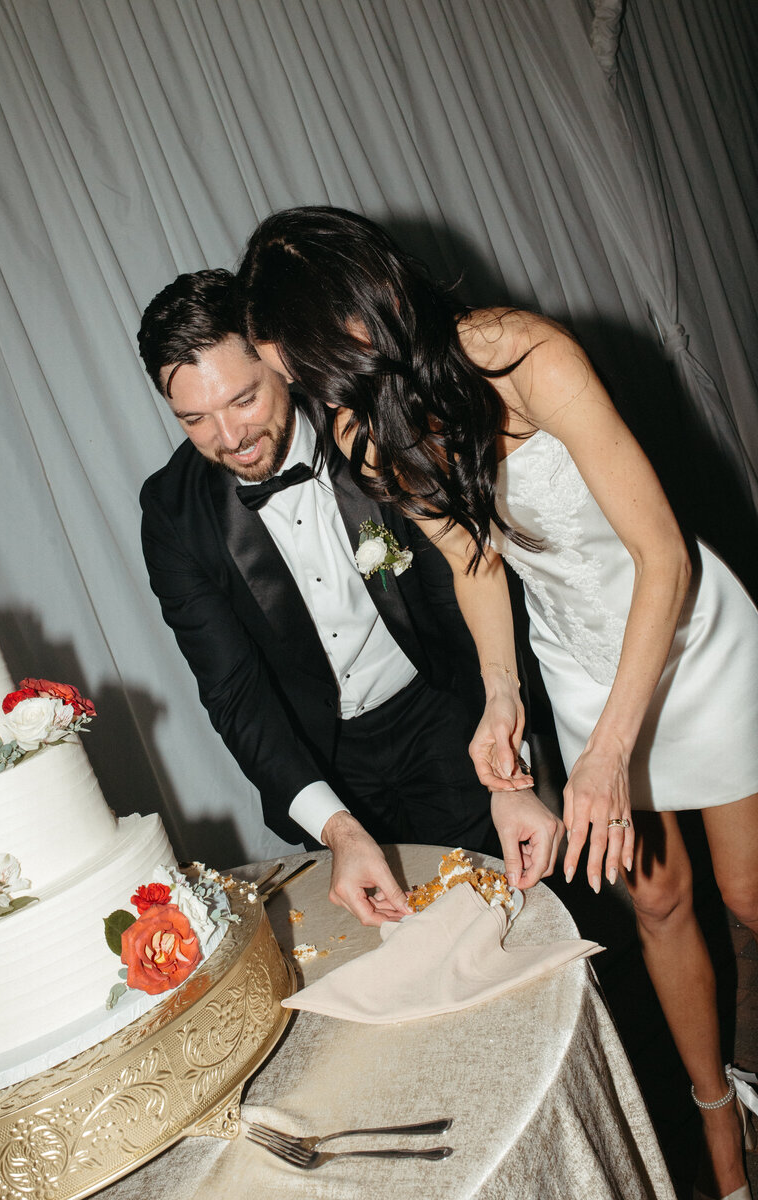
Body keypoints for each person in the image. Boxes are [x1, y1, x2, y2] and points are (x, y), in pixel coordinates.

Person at [239, 207, 758, 1200]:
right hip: (576, 663)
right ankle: (720, 1131)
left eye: (303, 367)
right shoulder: (358, 427)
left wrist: (606, 757)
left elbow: (663, 557)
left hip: (686, 641)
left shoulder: (528, 358)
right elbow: (472, 554)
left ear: (358, 318)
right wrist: (501, 696)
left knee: (743, 894)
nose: (309, 396)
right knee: (655, 899)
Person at [137, 268, 562, 930]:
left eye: (244, 399)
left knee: (516, 917)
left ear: (278, 362)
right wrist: (335, 827)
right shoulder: (173, 513)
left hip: (443, 711)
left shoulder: (369, 422)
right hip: (326, 765)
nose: (229, 437)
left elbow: (465, 589)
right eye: (195, 418)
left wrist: (512, 766)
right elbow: (235, 694)